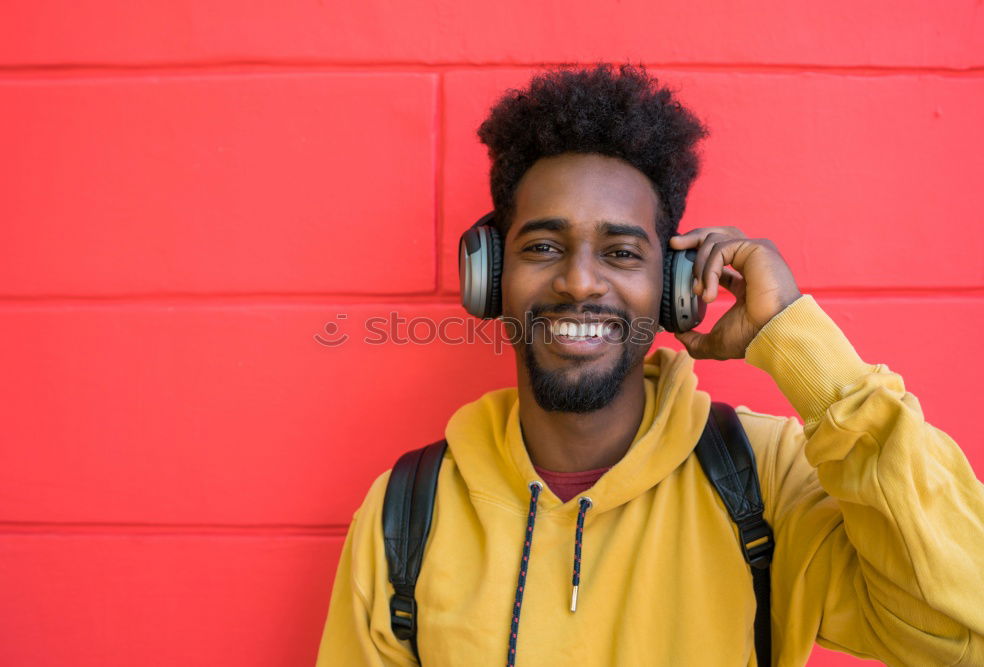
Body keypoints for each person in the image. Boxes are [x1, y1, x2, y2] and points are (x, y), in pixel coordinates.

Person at [316, 63, 984, 666]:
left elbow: (965, 623)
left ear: (676, 288)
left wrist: (800, 341)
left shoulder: (768, 480)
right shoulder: (406, 511)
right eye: (544, 245)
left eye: (622, 253)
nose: (580, 282)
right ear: (489, 279)